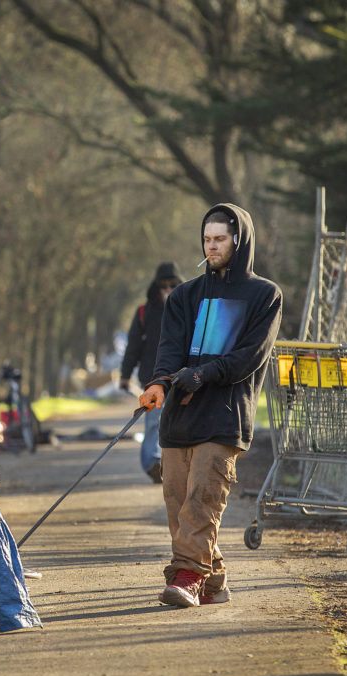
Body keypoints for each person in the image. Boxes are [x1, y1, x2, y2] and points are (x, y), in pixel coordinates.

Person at [138, 203, 282, 608]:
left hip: (224, 417)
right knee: (179, 504)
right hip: (179, 417)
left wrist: (202, 374)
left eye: (220, 238)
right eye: (207, 239)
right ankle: (213, 580)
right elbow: (168, 351)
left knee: (203, 500)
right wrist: (158, 383)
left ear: (239, 240)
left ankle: (186, 578)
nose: (212, 246)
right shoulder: (184, 296)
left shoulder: (264, 295)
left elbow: (249, 356)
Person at [119, 262, 183, 484]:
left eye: (172, 286)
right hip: (152, 377)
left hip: (180, 377)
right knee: (154, 422)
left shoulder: (186, 309)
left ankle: (175, 466)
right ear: (155, 288)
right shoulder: (144, 312)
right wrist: (125, 375)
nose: (167, 290)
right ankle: (153, 463)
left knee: (179, 423)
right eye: (162, 286)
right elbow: (133, 345)